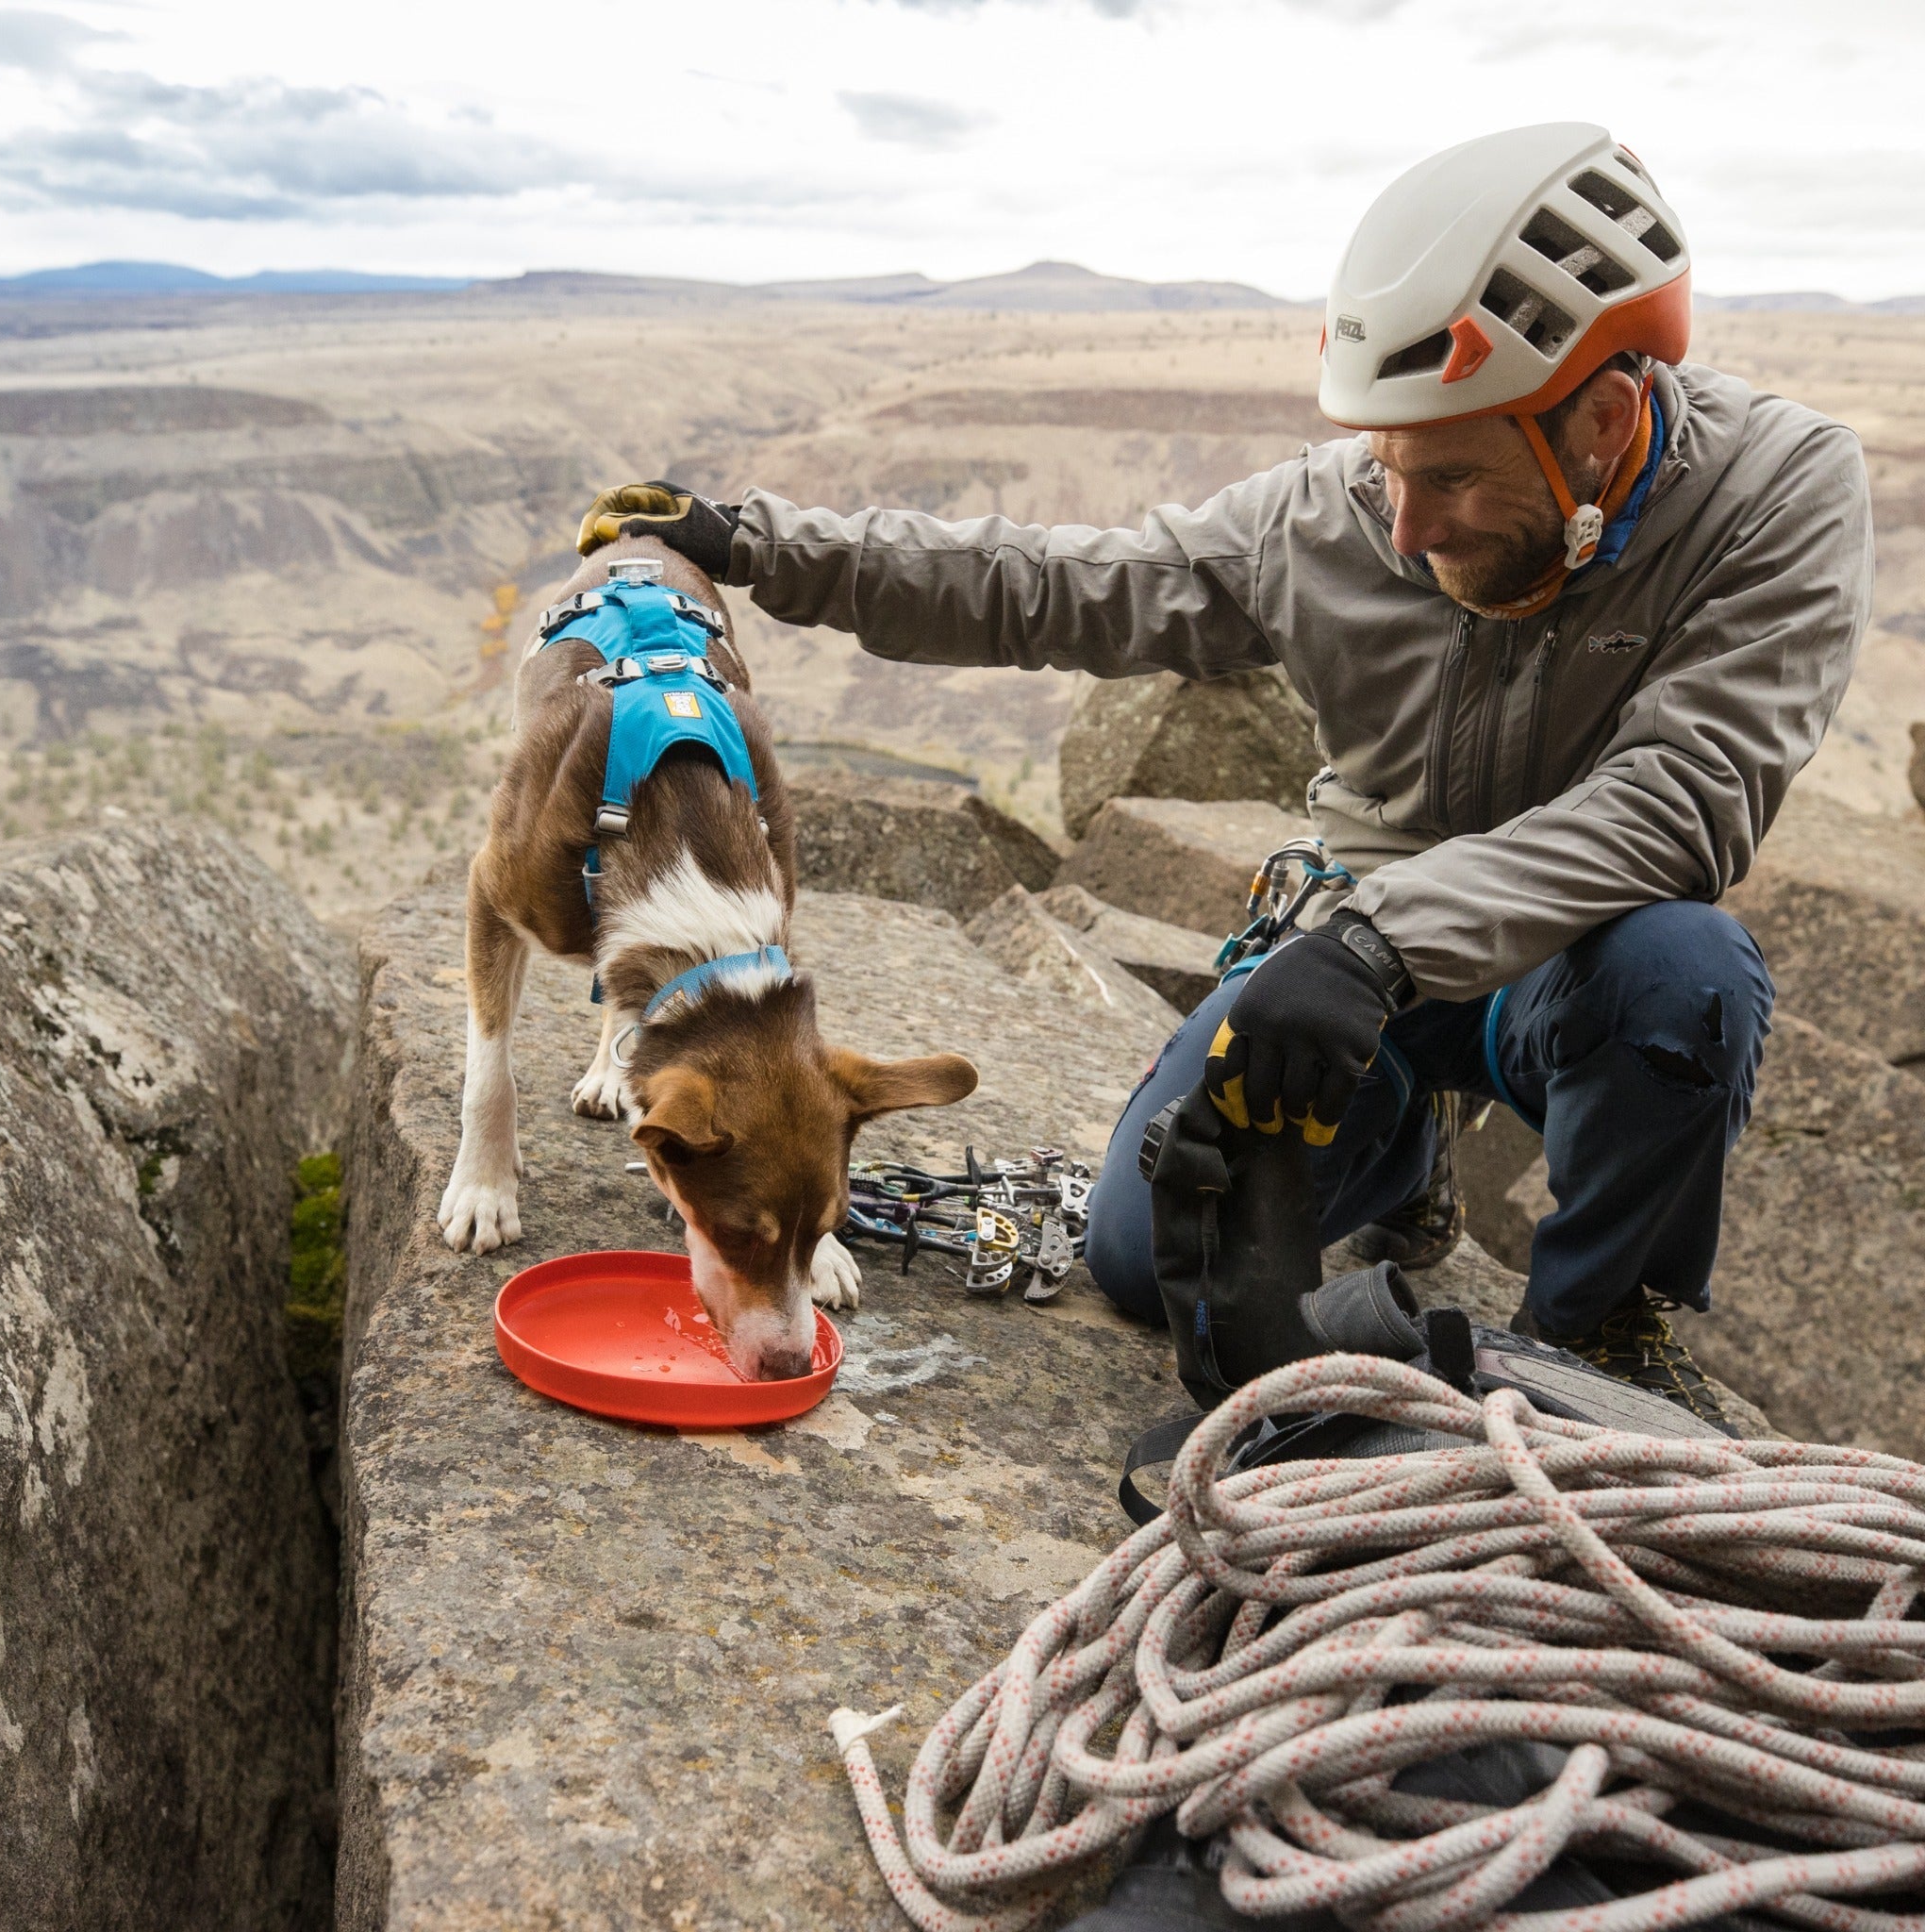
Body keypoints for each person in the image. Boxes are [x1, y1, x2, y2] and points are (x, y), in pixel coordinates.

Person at [583, 123, 1872, 1427]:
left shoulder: (1777, 492)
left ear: (1602, 416)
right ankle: (1402, 1145)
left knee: (1688, 975)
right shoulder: (1338, 514)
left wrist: (1378, 943)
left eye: (1454, 477)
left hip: (1579, 964)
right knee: (1148, 1265)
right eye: (1387, 464)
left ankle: (1596, 1334)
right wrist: (756, 545)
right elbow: (1064, 584)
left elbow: (1687, 795)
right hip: (1350, 976)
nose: (1407, 527)